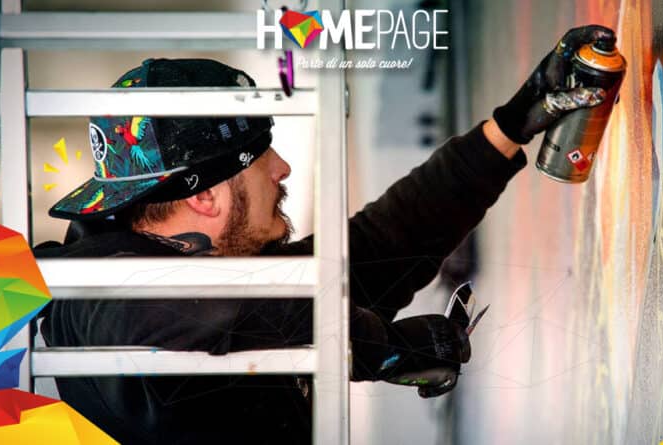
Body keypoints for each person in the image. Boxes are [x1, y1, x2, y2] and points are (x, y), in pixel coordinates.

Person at [34, 25, 615, 444]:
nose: (281, 168)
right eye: (259, 156)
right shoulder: (91, 299)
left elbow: (374, 249)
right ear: (203, 197)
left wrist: (512, 124)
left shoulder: (211, 271)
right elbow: (193, 313)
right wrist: (375, 346)